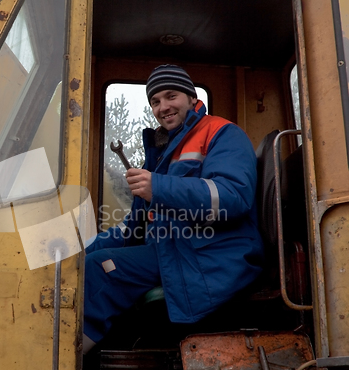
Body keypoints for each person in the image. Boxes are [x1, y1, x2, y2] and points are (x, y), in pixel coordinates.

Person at [82, 64, 264, 353]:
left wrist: (160, 188)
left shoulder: (223, 133)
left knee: (101, 269)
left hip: (214, 254)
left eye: (171, 96)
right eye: (155, 101)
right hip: (177, 248)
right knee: (88, 261)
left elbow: (233, 197)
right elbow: (137, 225)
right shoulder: (167, 151)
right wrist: (79, 250)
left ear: (191, 98)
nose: (163, 107)